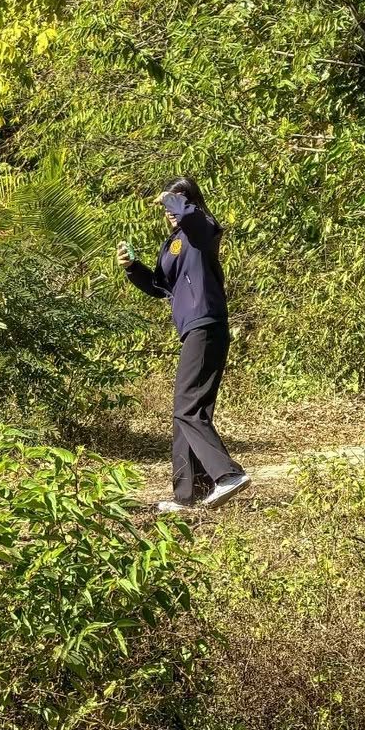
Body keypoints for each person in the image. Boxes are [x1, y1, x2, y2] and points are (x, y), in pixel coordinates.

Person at [117, 177, 250, 512]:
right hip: (192, 329)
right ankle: (189, 496)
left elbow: (192, 218)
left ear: (189, 202)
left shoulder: (204, 228)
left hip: (207, 323)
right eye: (167, 205)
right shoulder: (174, 243)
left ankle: (228, 474)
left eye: (178, 201)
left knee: (187, 408)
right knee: (187, 411)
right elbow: (163, 287)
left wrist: (171, 198)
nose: (170, 211)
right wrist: (133, 268)